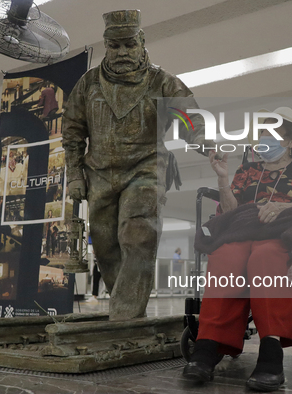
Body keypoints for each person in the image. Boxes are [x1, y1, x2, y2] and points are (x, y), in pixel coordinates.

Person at [62, 9, 208, 320]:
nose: (122, 52)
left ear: (141, 42)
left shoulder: (162, 82)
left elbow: (189, 116)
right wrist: (74, 174)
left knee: (138, 233)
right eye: (114, 46)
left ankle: (124, 316)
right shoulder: (88, 84)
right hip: (99, 173)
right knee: (105, 246)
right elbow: (73, 132)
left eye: (129, 44)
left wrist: (201, 139)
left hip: (146, 166)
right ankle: (128, 309)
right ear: (106, 46)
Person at [183, 107, 292, 392]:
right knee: (224, 256)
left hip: (281, 231)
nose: (263, 139)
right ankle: (208, 344)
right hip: (243, 228)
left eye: (271, 133)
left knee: (266, 257)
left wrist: (282, 206)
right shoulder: (248, 171)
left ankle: (271, 350)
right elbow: (228, 209)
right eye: (261, 133)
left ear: (291, 141)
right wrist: (223, 178)